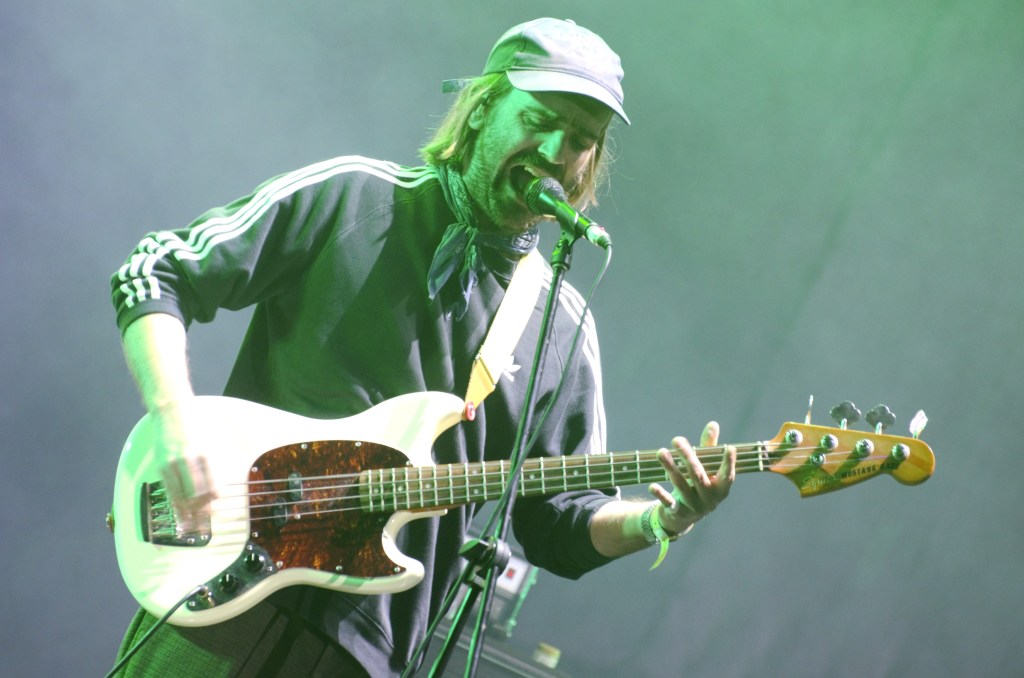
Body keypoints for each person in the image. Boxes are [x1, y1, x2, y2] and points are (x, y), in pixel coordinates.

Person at [109, 17, 736, 677]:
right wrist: (174, 422)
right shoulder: (354, 197)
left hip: (362, 652)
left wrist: (661, 522)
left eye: (582, 139)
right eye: (540, 120)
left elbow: (561, 524)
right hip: (220, 591)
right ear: (482, 108)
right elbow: (156, 272)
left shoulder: (563, 327)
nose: (557, 151)